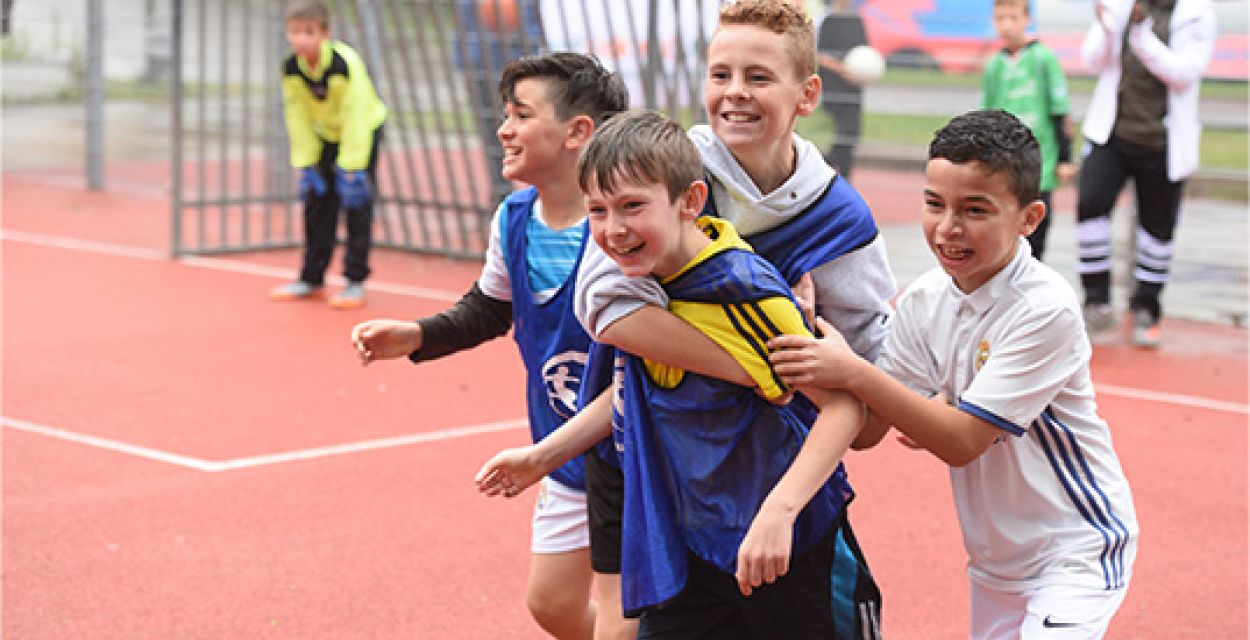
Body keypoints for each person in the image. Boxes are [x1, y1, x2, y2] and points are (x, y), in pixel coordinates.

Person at [479, 2, 891, 637]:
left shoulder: (838, 223)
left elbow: (857, 410)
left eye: (758, 77)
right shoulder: (660, 169)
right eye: (720, 73)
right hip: (656, 480)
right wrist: (758, 366)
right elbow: (607, 314)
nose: (734, 93)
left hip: (769, 495)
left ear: (808, 94)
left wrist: (828, 378)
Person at [769, 109, 1139, 640]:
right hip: (995, 562)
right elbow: (869, 430)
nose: (948, 228)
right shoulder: (924, 301)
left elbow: (963, 441)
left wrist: (854, 371)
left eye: (975, 210)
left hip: (1075, 549)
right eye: (934, 204)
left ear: (1030, 217)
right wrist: (798, 331)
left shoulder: (1044, 308)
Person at [349, 52, 628, 640]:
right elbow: (490, 307)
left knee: (622, 619)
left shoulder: (621, 231)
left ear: (579, 132)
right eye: (505, 114)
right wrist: (418, 335)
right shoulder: (515, 217)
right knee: (551, 604)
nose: (503, 129)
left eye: (521, 115)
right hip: (562, 448)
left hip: (634, 457)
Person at [1075, 0, 1217, 348]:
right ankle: (1097, 301)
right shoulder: (1124, 6)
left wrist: (1140, 33)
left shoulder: (1197, 14)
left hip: (1163, 140)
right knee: (1090, 205)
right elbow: (1093, 60)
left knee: (1157, 228)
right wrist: (1109, 26)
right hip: (1111, 132)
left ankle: (1146, 307)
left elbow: (1183, 74)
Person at [270, 0, 388, 310]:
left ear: (325, 34)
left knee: (356, 203)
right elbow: (296, 116)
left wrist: (352, 168)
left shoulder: (343, 64)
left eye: (308, 32)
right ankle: (311, 278)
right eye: (295, 32)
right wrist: (306, 162)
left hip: (362, 131)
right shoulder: (291, 68)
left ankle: (354, 281)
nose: (301, 40)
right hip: (325, 135)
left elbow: (356, 116)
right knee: (317, 204)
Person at [979, 0, 1074, 260]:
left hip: (1040, 160)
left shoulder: (1044, 58)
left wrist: (1065, 158)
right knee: (1003, 222)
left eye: (1013, 17)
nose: (1006, 25)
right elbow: (986, 114)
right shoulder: (994, 65)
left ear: (1026, 19)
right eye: (1000, 18)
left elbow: (1059, 110)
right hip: (1003, 161)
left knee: (1035, 223)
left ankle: (1034, 274)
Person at [454, 0, 545, 205]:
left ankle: (536, 191)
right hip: (482, 57)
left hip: (517, 59)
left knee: (533, 129)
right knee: (495, 132)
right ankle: (502, 191)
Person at [815, 0, 868, 180]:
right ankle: (830, 168)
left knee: (851, 134)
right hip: (835, 85)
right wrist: (843, 70)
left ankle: (832, 168)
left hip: (854, 85)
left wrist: (862, 73)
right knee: (845, 133)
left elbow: (864, 52)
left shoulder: (856, 20)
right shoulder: (829, 21)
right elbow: (820, 55)